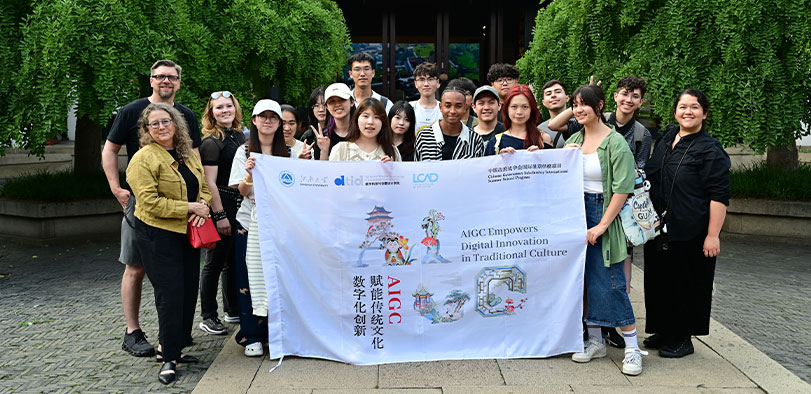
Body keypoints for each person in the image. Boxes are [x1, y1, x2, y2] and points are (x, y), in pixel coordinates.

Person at [101, 59, 201, 358]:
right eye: (160, 76)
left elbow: (194, 157)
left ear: (179, 82)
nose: (166, 81)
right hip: (144, 203)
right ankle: (133, 331)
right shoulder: (131, 111)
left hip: (183, 206)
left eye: (171, 77)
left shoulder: (187, 115)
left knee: (179, 275)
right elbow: (110, 149)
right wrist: (115, 187)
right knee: (135, 267)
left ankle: (172, 336)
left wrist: (201, 201)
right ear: (151, 80)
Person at [126, 102, 211, 384]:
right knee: (170, 293)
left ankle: (174, 346)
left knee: (188, 290)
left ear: (175, 124)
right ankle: (169, 359)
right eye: (155, 124)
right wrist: (190, 208)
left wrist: (203, 206)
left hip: (187, 231)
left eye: (166, 121)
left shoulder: (187, 153)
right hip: (157, 234)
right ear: (146, 129)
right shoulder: (143, 159)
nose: (162, 127)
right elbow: (149, 202)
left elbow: (204, 186)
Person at [564, 85, 645, 376]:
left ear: (599, 106)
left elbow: (622, 189)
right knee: (585, 280)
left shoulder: (615, 142)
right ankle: (596, 340)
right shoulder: (573, 139)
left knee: (610, 281)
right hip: (577, 213)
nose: (579, 110)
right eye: (575, 105)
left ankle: (633, 347)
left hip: (604, 213)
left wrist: (602, 224)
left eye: (584, 104)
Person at [642, 89, 730, 358]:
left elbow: (719, 195)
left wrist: (713, 235)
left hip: (691, 228)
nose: (687, 112)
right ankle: (664, 330)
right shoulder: (668, 136)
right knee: (659, 282)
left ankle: (682, 338)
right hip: (658, 226)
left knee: (686, 284)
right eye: (682, 107)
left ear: (704, 113)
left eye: (694, 107)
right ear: (675, 111)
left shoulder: (711, 149)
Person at [229, 99, 292, 357]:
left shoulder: (289, 151)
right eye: (262, 116)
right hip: (249, 223)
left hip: (281, 226)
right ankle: (252, 335)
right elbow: (242, 191)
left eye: (273, 117)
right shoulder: (244, 151)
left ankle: (280, 333)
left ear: (279, 123)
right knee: (249, 279)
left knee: (281, 278)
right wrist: (249, 175)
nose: (268, 121)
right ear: (254, 120)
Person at [197, 91, 246, 336]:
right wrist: (219, 215)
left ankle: (232, 309)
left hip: (239, 201)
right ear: (211, 113)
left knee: (232, 259)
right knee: (214, 262)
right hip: (222, 202)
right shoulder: (211, 142)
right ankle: (208, 315)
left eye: (229, 106)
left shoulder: (240, 136)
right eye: (219, 107)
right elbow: (209, 182)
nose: (225, 110)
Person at [415, 86, 484, 161]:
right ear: (440, 107)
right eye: (448, 106)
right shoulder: (424, 137)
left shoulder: (475, 139)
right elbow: (417, 166)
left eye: (458, 106)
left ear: (465, 108)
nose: (452, 111)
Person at [484, 84, 551, 155]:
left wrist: (541, 155)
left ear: (532, 109)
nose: (519, 112)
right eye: (514, 106)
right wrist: (501, 159)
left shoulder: (543, 139)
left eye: (525, 107)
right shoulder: (495, 143)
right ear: (507, 109)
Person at [329, 98, 400, 162]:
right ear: (357, 119)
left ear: (383, 122)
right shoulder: (341, 150)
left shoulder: (393, 151)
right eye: (366, 116)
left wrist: (392, 169)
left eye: (376, 117)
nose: (370, 122)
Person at [313, 83, 355, 160]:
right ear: (326, 106)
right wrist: (324, 151)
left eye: (342, 99)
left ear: (352, 102)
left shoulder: (362, 133)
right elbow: (320, 166)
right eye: (332, 101)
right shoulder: (322, 138)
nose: (337, 104)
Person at [539, 80, 579, 148]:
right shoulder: (540, 129)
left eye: (558, 92)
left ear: (567, 98)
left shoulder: (580, 122)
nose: (553, 95)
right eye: (548, 94)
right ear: (543, 102)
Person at [408, 62, 441, 132]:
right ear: (415, 84)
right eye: (421, 79)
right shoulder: (409, 108)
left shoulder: (445, 110)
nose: (426, 84)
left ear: (438, 82)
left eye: (430, 79)